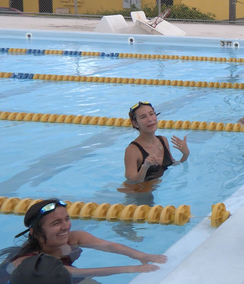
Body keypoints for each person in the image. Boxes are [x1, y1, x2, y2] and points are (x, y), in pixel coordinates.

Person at [0, 199, 165, 280]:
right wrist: (129, 269)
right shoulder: (30, 262)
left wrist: (141, 256)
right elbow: (76, 273)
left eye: (67, 219)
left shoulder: (74, 238)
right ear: (35, 232)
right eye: (56, 223)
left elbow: (109, 246)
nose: (66, 226)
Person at [124, 102, 189, 183]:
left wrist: (185, 154)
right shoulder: (132, 150)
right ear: (135, 123)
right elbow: (132, 182)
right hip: (141, 193)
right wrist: (145, 167)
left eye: (151, 114)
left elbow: (173, 165)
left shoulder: (163, 140)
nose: (150, 119)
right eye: (143, 117)